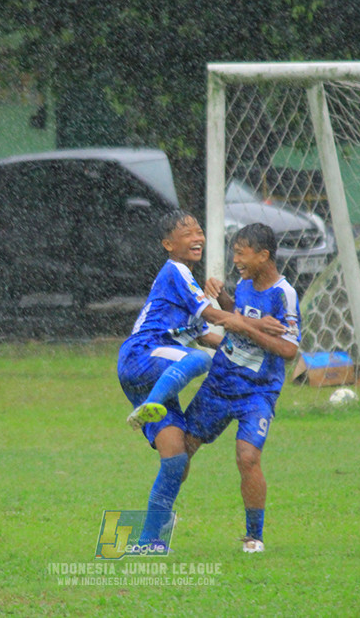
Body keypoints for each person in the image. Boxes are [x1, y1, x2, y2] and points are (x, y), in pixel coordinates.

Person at [117, 210, 284, 547]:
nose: (197, 237)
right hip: (142, 355)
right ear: (168, 244)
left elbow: (212, 334)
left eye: (198, 231)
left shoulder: (186, 283)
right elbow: (213, 315)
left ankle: (150, 541)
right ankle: (150, 406)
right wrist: (258, 324)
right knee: (198, 359)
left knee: (176, 458)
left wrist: (261, 348)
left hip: (156, 372)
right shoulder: (175, 271)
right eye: (187, 233)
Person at [184, 223, 301, 553]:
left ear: (263, 256)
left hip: (257, 393)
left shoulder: (284, 294)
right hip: (220, 383)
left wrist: (244, 328)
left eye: (240, 252)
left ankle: (254, 536)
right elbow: (240, 316)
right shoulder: (247, 283)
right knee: (181, 449)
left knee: (247, 457)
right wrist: (221, 298)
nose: (235, 259)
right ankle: (161, 520)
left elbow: (290, 350)